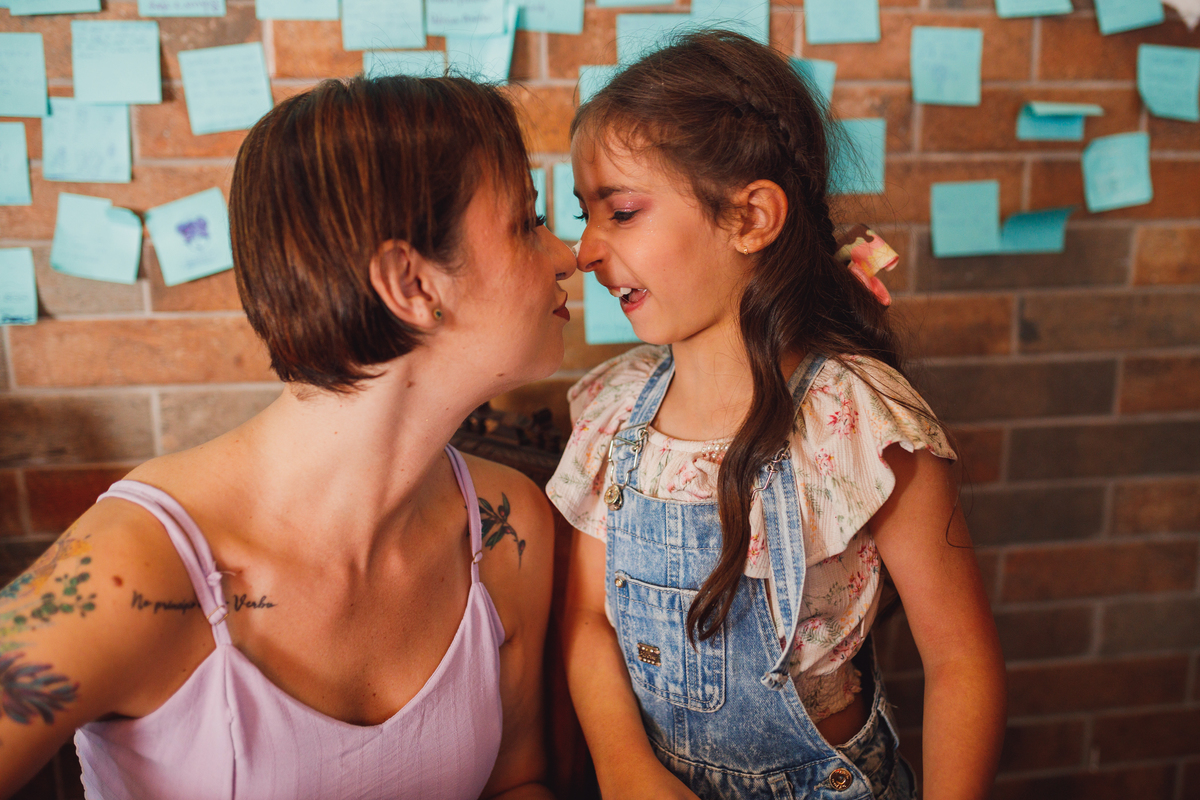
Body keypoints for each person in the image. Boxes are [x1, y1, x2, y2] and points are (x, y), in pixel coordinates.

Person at [0, 74, 575, 800]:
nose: (570, 253)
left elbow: (515, 783)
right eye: (529, 221)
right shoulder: (136, 569)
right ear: (412, 284)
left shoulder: (506, 530)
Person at [550, 30, 1006, 800]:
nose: (584, 248)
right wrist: (624, 767)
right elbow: (587, 623)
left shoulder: (864, 424)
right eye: (582, 213)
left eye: (620, 212)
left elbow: (962, 663)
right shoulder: (611, 408)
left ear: (752, 217)